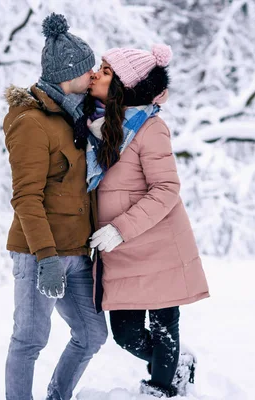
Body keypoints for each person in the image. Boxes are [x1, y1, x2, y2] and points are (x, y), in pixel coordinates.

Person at [84, 44, 210, 398]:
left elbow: (166, 188)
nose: (96, 74)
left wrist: (120, 229)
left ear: (124, 86)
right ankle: (176, 364)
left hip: (157, 245)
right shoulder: (98, 124)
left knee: (163, 326)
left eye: (106, 71)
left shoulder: (150, 128)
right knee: (125, 335)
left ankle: (161, 389)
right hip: (120, 251)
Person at [2, 13, 107, 400]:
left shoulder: (74, 116)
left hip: (76, 252)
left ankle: (57, 396)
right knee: (29, 339)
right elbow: (25, 197)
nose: (94, 75)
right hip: (39, 252)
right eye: (88, 69)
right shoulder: (32, 122)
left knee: (92, 334)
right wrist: (45, 257)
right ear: (68, 75)